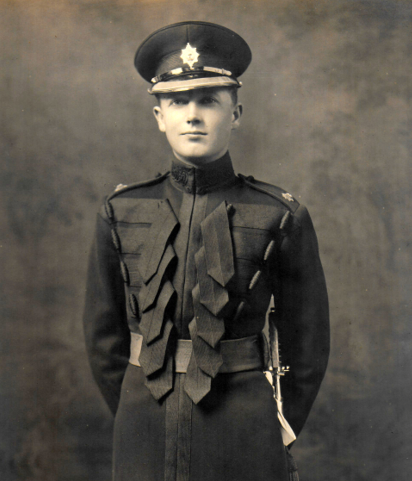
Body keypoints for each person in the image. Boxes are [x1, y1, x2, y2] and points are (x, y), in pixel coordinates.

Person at [82, 21, 330, 481]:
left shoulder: (279, 215)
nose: (193, 116)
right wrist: (136, 408)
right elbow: (104, 339)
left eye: (209, 101)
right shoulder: (121, 211)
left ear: (235, 113)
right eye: (178, 102)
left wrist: (271, 425)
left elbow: (309, 345)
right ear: (159, 116)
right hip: (142, 427)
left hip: (244, 429)